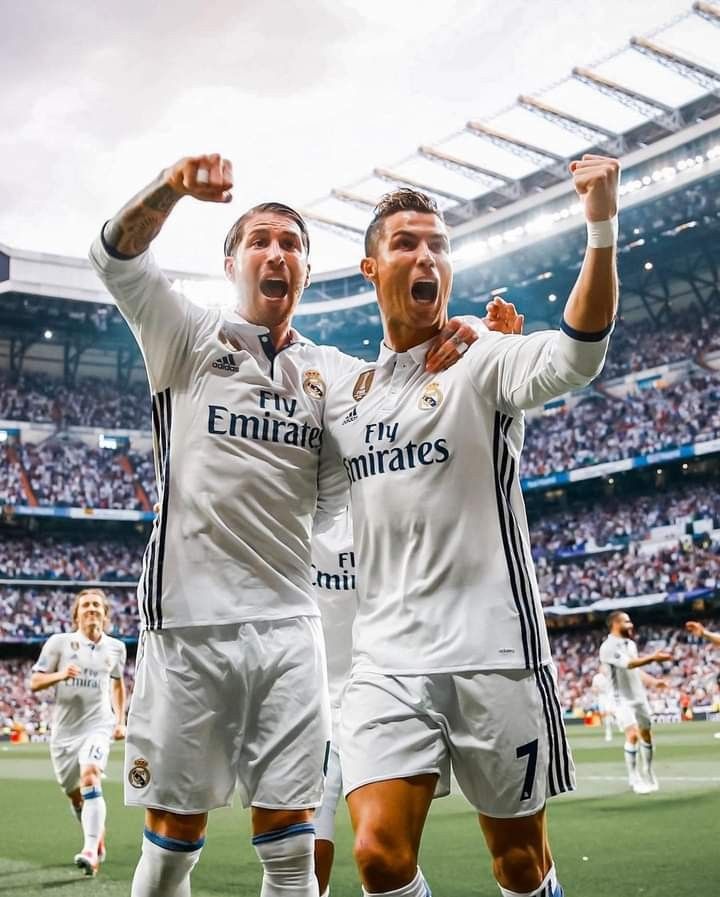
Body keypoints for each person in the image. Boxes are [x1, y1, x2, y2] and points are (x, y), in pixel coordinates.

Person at [88, 153, 479, 897]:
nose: (278, 252)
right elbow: (113, 253)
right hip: (188, 629)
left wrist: (445, 340)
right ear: (231, 260)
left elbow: (395, 397)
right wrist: (174, 186)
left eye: (293, 243)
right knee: (173, 849)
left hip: (290, 633)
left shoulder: (331, 372)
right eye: (261, 240)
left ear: (305, 269)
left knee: (293, 855)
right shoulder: (186, 336)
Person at [321, 152, 621, 897]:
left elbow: (577, 355)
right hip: (386, 657)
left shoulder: (481, 358)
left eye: (439, 244)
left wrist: (602, 226)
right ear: (370, 269)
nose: (427, 256)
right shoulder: (344, 393)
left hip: (493, 650)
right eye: (407, 243)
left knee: (519, 864)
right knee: (379, 856)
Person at [311, 304, 522, 897]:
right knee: (329, 862)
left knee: (519, 861)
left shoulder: (406, 509)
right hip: (319, 708)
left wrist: (483, 339)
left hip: (422, 667)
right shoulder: (295, 520)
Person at [30, 588, 127, 877]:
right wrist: (61, 675)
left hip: (98, 725)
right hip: (64, 733)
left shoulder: (116, 648)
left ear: (106, 614)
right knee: (77, 797)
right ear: (76, 614)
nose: (92, 609)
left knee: (91, 775)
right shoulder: (59, 643)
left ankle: (89, 849)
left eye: (97, 605)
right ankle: (97, 836)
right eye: (85, 605)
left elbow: (118, 684)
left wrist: (120, 720)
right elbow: (34, 682)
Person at [599, 611, 672, 794]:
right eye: (627, 621)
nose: (631, 625)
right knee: (632, 735)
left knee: (646, 734)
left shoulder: (630, 644)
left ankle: (647, 770)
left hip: (639, 697)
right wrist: (653, 658)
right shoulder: (607, 647)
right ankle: (634, 777)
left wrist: (654, 682)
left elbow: (635, 670)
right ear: (615, 624)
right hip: (620, 698)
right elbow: (629, 664)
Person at [590, 669, 615, 742]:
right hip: (601, 697)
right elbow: (593, 688)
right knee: (604, 715)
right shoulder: (597, 677)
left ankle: (609, 733)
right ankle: (610, 726)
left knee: (609, 713)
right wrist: (596, 690)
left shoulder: (612, 675)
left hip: (611, 696)